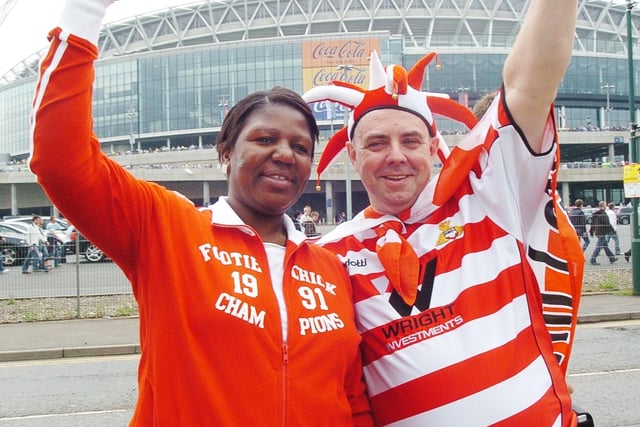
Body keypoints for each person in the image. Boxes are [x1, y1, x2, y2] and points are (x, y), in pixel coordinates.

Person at [29, 1, 372, 425]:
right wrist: (84, 14)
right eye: (265, 139)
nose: (285, 154)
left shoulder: (329, 267)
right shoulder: (165, 226)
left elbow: (352, 397)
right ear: (226, 153)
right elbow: (60, 161)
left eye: (300, 147)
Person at [303, 0, 584, 424]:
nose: (396, 156)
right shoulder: (327, 258)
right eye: (377, 144)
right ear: (353, 155)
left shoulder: (490, 199)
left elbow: (529, 84)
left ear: (435, 150)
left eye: (411, 142)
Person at [589, 201, 618, 265]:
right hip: (602, 231)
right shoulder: (603, 214)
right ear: (603, 206)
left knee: (605, 245)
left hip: (597, 231)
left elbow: (592, 223)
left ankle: (612, 258)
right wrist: (613, 230)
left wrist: (591, 231)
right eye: (605, 205)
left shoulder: (595, 214)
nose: (606, 206)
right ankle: (592, 259)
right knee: (599, 246)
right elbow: (607, 223)